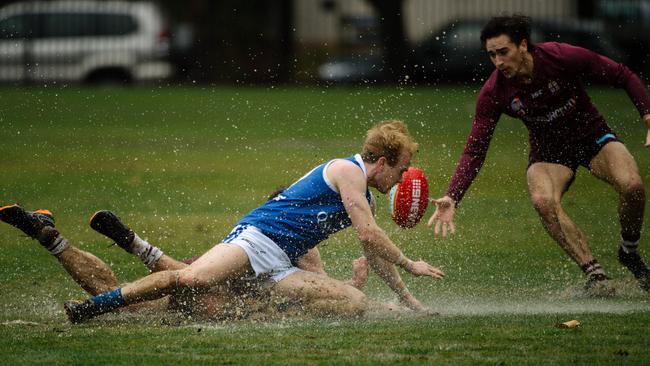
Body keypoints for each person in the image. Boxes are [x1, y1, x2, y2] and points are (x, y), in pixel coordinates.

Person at [59, 120, 445, 323]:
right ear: (382, 162)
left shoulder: (363, 197)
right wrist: (411, 263)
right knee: (192, 280)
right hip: (258, 239)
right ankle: (95, 306)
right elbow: (367, 233)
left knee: (353, 302)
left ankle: (264, 310)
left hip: (281, 263)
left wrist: (409, 299)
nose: (400, 179)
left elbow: (372, 250)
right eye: (402, 169)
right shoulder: (348, 172)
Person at [428, 14, 650, 293]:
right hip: (549, 153)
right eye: (491, 55)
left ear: (523, 45)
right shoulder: (494, 92)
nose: (498, 62)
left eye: (503, 52)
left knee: (632, 186)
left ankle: (628, 251)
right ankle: (596, 276)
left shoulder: (560, 57)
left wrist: (647, 118)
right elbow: (475, 149)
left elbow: (622, 74)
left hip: (593, 136)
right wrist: (453, 195)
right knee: (543, 201)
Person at [0, 204, 372, 320]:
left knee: (126, 293)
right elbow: (324, 293)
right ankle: (133, 245)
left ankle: (52, 236)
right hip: (205, 295)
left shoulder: (264, 233)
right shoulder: (297, 243)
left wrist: (353, 288)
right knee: (188, 281)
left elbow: (322, 292)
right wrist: (355, 290)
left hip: (200, 288)